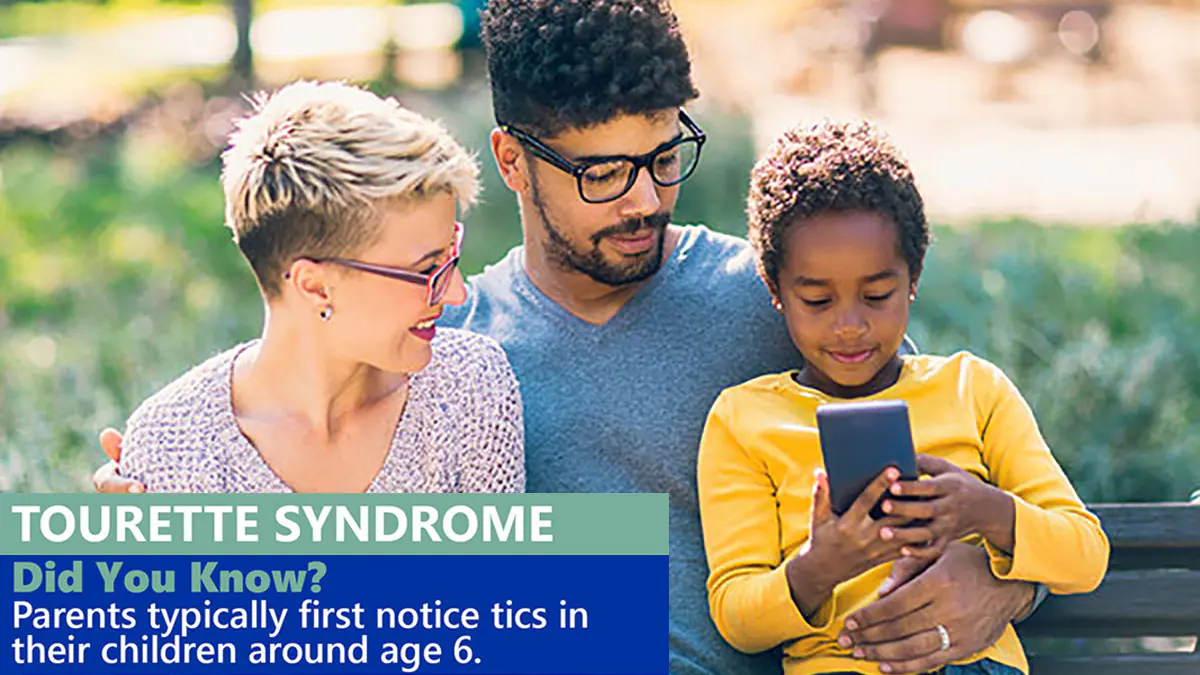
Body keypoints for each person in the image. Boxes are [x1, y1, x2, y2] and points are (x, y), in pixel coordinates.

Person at [94, 2, 1045, 673]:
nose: (645, 199)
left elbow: (971, 455)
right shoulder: (441, 350)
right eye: (602, 174)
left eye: (663, 157)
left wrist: (1004, 582)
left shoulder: (778, 301)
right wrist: (165, 557)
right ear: (512, 160)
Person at [697, 120, 1110, 675]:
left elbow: (1085, 555)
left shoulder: (974, 389)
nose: (849, 325)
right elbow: (736, 617)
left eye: (877, 295)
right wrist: (819, 568)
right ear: (776, 291)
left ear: (912, 279)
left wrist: (986, 510)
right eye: (817, 300)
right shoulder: (744, 420)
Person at [115, 80, 524, 494]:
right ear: (315, 287)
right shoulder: (173, 449)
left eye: (451, 254)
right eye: (427, 270)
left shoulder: (468, 388)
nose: (456, 294)